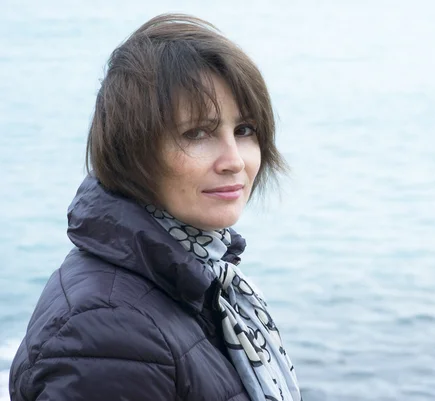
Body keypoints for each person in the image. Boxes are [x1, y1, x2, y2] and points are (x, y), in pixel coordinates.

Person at [9, 13, 301, 401]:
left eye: (244, 130)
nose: (234, 160)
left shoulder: (200, 280)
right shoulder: (107, 330)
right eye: (197, 133)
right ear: (133, 150)